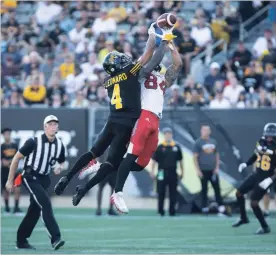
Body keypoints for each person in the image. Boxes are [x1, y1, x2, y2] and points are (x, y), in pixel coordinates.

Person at [54, 25, 175, 206]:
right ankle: (85, 188)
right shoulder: (129, 72)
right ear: (118, 64)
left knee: (92, 152)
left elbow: (145, 58)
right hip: (127, 124)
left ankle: (68, 176)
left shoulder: (108, 81)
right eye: (120, 59)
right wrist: (157, 36)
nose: (124, 59)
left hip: (112, 120)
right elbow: (151, 53)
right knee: (111, 165)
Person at [76, 40, 182, 214]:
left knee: (141, 164)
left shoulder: (163, 80)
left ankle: (104, 167)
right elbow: (151, 58)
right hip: (142, 118)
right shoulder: (139, 75)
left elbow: (177, 64)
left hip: (155, 121)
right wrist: (161, 41)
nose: (159, 67)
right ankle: (117, 193)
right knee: (131, 155)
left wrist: (171, 45)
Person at [5, 115, 65, 250]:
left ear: (58, 127)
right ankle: (55, 238)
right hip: (30, 176)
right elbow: (16, 159)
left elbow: (61, 161)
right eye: (50, 124)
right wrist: (10, 180)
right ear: (45, 127)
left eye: (55, 124)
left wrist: (59, 167)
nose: (53, 126)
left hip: (44, 179)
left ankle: (21, 240)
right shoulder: (34, 141)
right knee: (45, 203)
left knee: (34, 211)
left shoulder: (59, 144)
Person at [233, 123, 276, 234]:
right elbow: (256, 155)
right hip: (256, 174)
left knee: (254, 203)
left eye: (272, 136)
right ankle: (243, 218)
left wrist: (270, 180)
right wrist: (246, 164)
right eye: (268, 136)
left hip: (267, 178)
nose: (270, 138)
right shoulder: (261, 141)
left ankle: (265, 227)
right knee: (238, 193)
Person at [193, 124, 226, 214]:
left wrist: (217, 168)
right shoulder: (198, 142)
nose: (205, 132)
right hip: (203, 170)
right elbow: (195, 157)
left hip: (213, 170)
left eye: (207, 130)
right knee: (204, 189)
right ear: (201, 131)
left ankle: (221, 206)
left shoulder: (213, 142)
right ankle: (204, 207)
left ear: (210, 131)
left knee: (217, 188)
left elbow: (217, 155)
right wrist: (198, 170)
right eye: (204, 130)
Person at [151, 127, 184, 216]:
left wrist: (182, 172)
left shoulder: (176, 147)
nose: (168, 135)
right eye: (166, 134)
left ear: (172, 135)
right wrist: (152, 172)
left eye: (169, 134)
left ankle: (172, 211)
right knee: (161, 191)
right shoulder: (160, 147)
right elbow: (154, 160)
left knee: (173, 192)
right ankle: (160, 211)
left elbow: (180, 161)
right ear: (164, 135)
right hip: (161, 172)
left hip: (173, 172)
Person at [1, 128, 22, 215]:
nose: (7, 136)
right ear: (3, 135)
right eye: (5, 134)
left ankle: (16, 208)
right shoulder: (2, 147)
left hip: (15, 172)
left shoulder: (15, 145)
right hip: (5, 172)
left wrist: (12, 163)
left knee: (17, 189)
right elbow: (3, 162)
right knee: (5, 190)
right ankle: (7, 208)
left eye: (8, 134)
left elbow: (19, 157)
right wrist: (11, 162)